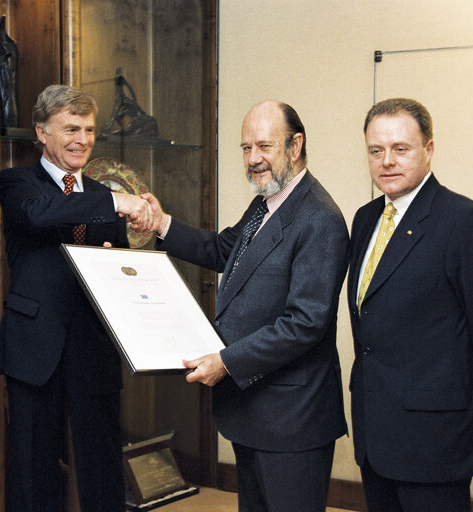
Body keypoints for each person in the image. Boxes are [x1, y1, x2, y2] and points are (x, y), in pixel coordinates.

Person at [143, 100, 349, 512]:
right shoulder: (268, 202)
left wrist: (226, 361)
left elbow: (304, 323)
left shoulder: (318, 217)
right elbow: (224, 249)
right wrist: (161, 224)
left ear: (295, 146)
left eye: (264, 146)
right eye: (245, 148)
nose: (253, 159)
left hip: (292, 419)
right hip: (254, 411)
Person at [347, 98, 473, 512]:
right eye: (376, 151)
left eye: (401, 149)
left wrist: (456, 394)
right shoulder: (365, 218)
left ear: (429, 149)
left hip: (435, 439)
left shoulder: (464, 222)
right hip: (375, 433)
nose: (387, 161)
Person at [0, 84, 153, 511]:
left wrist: (121, 266)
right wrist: (114, 200)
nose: (82, 139)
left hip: (93, 346)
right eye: (70, 129)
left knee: (101, 466)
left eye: (89, 130)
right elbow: (40, 215)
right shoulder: (16, 182)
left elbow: (117, 270)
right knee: (33, 467)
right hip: (34, 346)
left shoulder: (102, 194)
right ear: (42, 133)